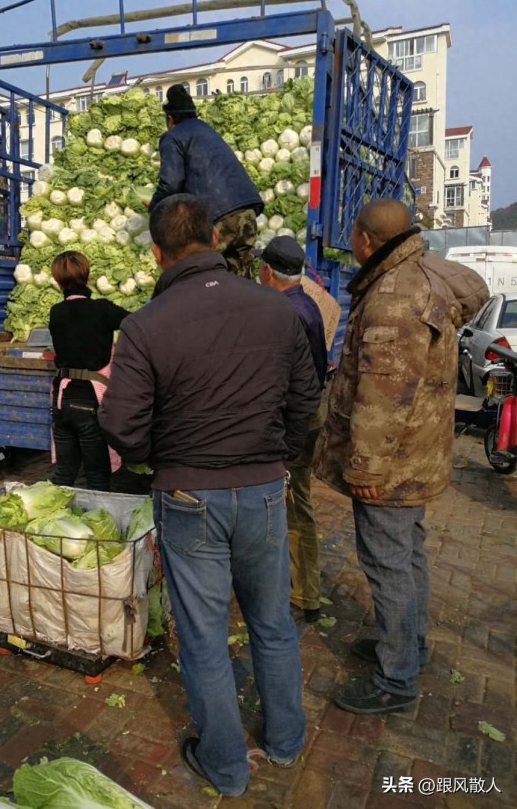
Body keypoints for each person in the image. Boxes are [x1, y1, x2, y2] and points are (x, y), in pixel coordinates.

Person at [98, 194, 321, 796]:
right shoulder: (276, 309)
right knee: (272, 623)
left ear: (156, 253)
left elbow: (121, 425)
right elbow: (306, 398)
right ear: (216, 239)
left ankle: (225, 767)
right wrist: (274, 454)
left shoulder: (144, 325)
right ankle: (286, 742)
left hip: (188, 494)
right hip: (263, 489)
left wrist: (161, 456)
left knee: (204, 637)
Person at [313, 198, 489, 714]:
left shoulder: (394, 298)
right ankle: (409, 646)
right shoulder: (425, 272)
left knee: (387, 564)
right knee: (407, 556)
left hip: (390, 464)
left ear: (366, 240)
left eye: (352, 234)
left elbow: (382, 397)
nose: (350, 241)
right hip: (415, 455)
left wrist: (365, 468)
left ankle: (396, 678)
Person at [257, 236, 328, 623]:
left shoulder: (286, 313)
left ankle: (303, 595)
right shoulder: (305, 304)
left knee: (296, 507)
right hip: (305, 416)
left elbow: (294, 382)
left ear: (268, 271)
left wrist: (288, 438)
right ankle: (294, 586)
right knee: (290, 503)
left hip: (296, 420)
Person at [147, 83, 263, 278]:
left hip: (220, 219)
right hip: (247, 211)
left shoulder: (172, 136)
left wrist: (154, 208)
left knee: (199, 276)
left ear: (170, 119)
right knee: (242, 279)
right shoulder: (206, 129)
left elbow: (171, 183)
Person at [48, 251, 129, 490]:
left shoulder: (56, 312)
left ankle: (50, 512)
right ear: (88, 276)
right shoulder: (102, 310)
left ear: (58, 282)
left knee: (64, 473)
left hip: (62, 400)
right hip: (89, 401)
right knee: (97, 476)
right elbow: (138, 324)